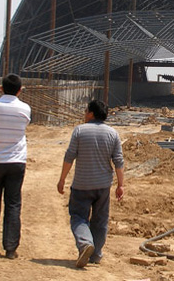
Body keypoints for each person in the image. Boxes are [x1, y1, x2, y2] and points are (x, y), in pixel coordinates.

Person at [57, 100, 124, 268]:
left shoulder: (80, 130)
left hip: (82, 184)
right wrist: (120, 185)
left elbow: (69, 156)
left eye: (86, 110)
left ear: (91, 113)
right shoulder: (113, 133)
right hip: (103, 186)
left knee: (78, 216)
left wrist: (62, 178)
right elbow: (118, 161)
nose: (85, 113)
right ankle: (96, 255)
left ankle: (85, 243)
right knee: (100, 220)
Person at [0, 74, 31, 259]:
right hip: (17, 161)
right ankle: (10, 247)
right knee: (13, 203)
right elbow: (25, 125)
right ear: (19, 90)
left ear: (1, 89)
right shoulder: (25, 108)